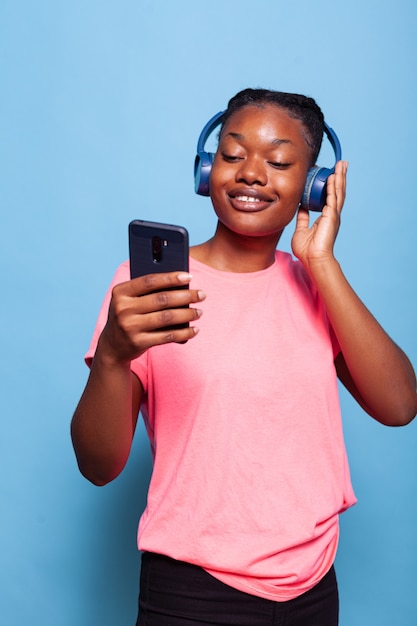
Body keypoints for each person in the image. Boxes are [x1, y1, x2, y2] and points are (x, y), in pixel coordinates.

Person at [71, 88, 417, 626]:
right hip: (191, 593)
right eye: (232, 155)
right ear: (207, 169)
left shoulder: (316, 287)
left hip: (313, 586)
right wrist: (114, 356)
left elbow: (399, 405)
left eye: (278, 162)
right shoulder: (149, 288)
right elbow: (98, 466)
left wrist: (321, 263)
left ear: (314, 186)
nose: (251, 173)